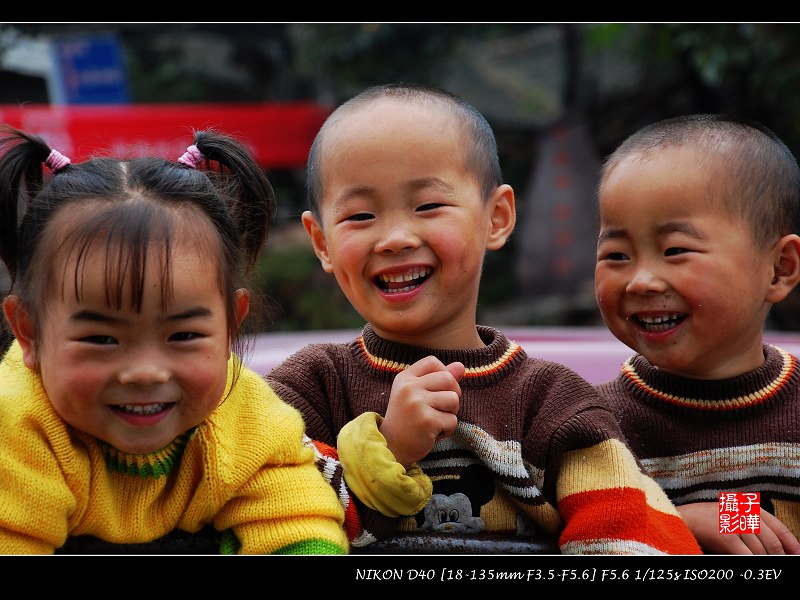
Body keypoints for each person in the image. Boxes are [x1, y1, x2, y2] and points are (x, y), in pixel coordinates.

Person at [266, 82, 702, 555]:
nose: (394, 237)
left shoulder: (551, 403)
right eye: (360, 216)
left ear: (496, 217)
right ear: (322, 241)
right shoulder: (308, 390)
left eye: (428, 205)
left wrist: (721, 511)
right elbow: (269, 521)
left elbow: (629, 534)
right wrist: (386, 451)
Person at [0, 125, 348, 554]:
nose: (145, 372)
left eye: (183, 335)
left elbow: (295, 519)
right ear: (29, 332)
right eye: (101, 339)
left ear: (229, 329)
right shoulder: (15, 423)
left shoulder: (246, 417)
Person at [594, 113, 800, 555]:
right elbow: (570, 539)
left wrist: (727, 514)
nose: (641, 281)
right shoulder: (588, 421)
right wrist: (680, 522)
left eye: (675, 250)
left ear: (779, 268)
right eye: (616, 254)